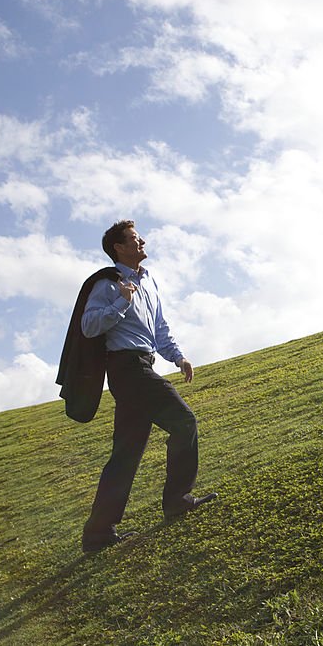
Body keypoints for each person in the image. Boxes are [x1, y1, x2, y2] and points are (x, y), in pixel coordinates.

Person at [77, 219, 216, 553]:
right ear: (119, 248)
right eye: (135, 239)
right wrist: (121, 302)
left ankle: (97, 535)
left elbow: (159, 326)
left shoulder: (148, 281)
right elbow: (89, 325)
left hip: (142, 365)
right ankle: (177, 501)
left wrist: (177, 357)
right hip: (127, 369)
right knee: (184, 422)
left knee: (125, 454)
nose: (142, 242)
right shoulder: (109, 283)